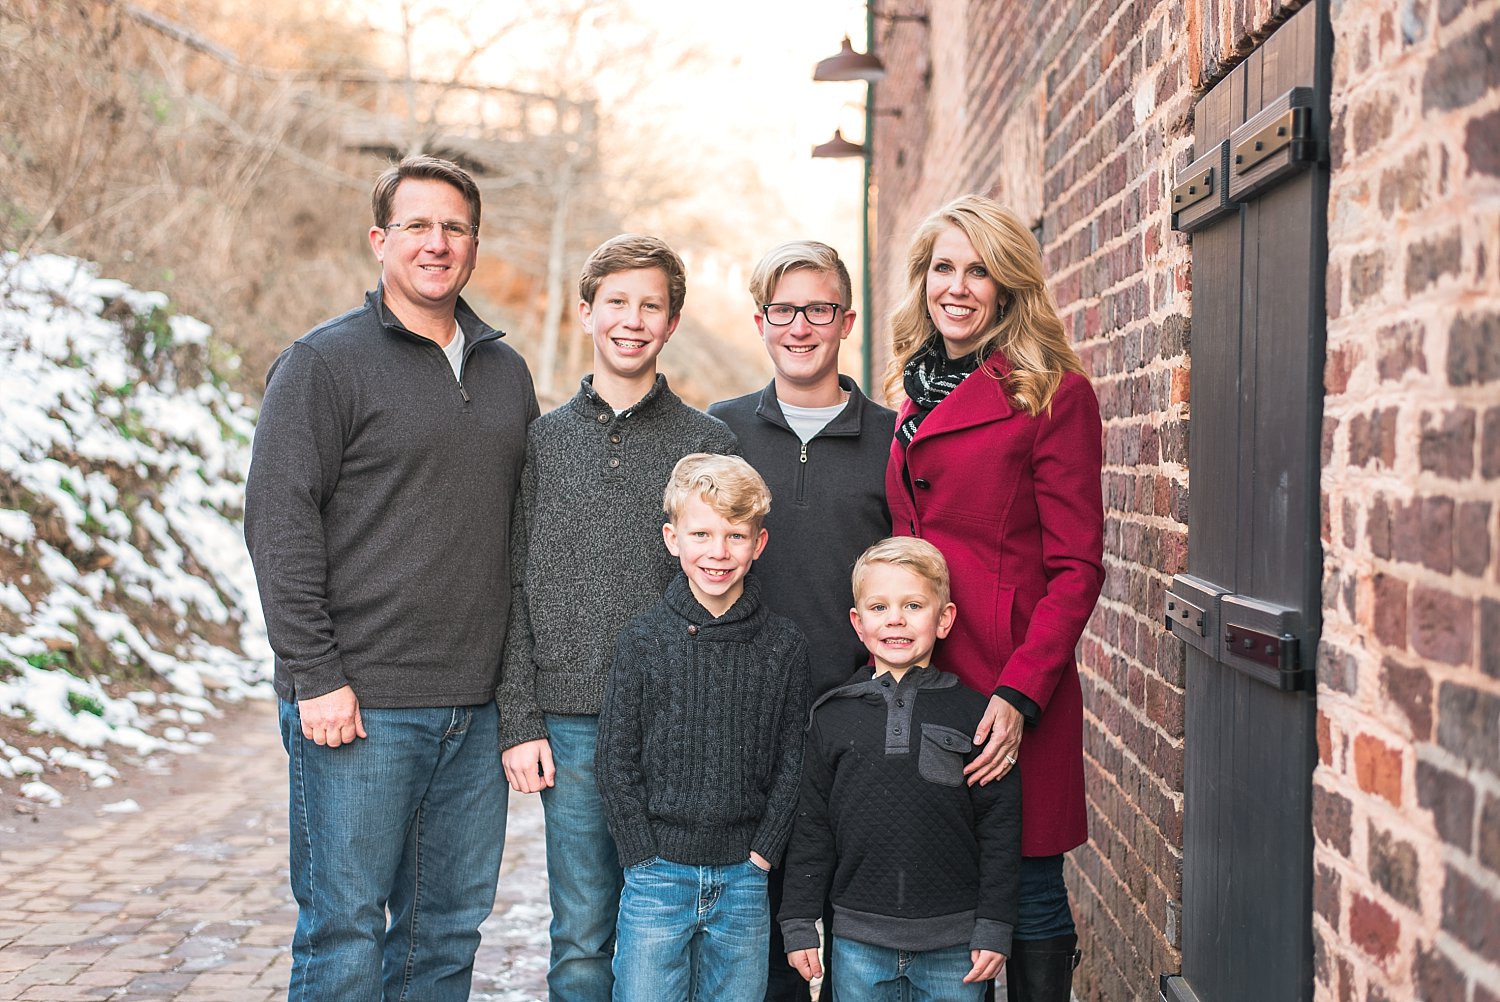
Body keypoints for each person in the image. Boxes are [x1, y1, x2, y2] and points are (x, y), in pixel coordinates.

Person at [244, 155, 538, 1001]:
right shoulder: (322, 363)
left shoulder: (504, 372)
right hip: (359, 708)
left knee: (444, 937)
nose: (436, 243)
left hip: (474, 714)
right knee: (342, 933)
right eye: (416, 225)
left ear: (475, 244)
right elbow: (279, 524)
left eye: (454, 227)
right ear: (380, 240)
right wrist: (317, 675)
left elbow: (520, 535)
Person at [496, 233, 737, 1002]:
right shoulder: (542, 441)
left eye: (652, 307)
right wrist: (520, 718)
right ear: (586, 312)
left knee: (672, 928)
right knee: (580, 935)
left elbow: (727, 589)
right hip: (570, 727)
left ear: (671, 324)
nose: (633, 321)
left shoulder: (708, 444)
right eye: (618, 303)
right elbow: (513, 581)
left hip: (679, 724)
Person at [883, 194, 1105, 1002]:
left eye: (979, 271)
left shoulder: (1051, 392)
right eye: (945, 267)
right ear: (924, 280)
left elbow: (1079, 566)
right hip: (925, 675)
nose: (959, 287)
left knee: (1030, 886)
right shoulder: (913, 391)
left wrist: (1021, 692)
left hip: (1010, 682)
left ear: (1009, 285)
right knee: (943, 887)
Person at [709, 239, 895, 1001]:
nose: (799, 327)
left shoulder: (893, 438)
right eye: (782, 310)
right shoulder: (720, 431)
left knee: (852, 931)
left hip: (858, 714)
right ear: (759, 321)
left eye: (818, 309)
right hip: (744, 719)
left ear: (846, 320)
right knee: (757, 931)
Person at [596, 453, 811, 1002]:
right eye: (702, 534)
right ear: (673, 539)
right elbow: (616, 758)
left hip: (744, 876)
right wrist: (641, 852)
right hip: (657, 875)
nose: (718, 552)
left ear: (758, 545)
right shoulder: (642, 639)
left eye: (736, 536)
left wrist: (763, 851)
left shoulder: (783, 646)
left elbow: (793, 759)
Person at [780, 536, 1021, 1001]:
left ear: (944, 618)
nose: (895, 619)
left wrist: (994, 926)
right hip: (858, 940)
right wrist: (798, 922)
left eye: (913, 605)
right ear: (858, 622)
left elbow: (1000, 827)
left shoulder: (976, 716)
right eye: (879, 606)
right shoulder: (831, 717)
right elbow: (812, 828)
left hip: (956, 944)